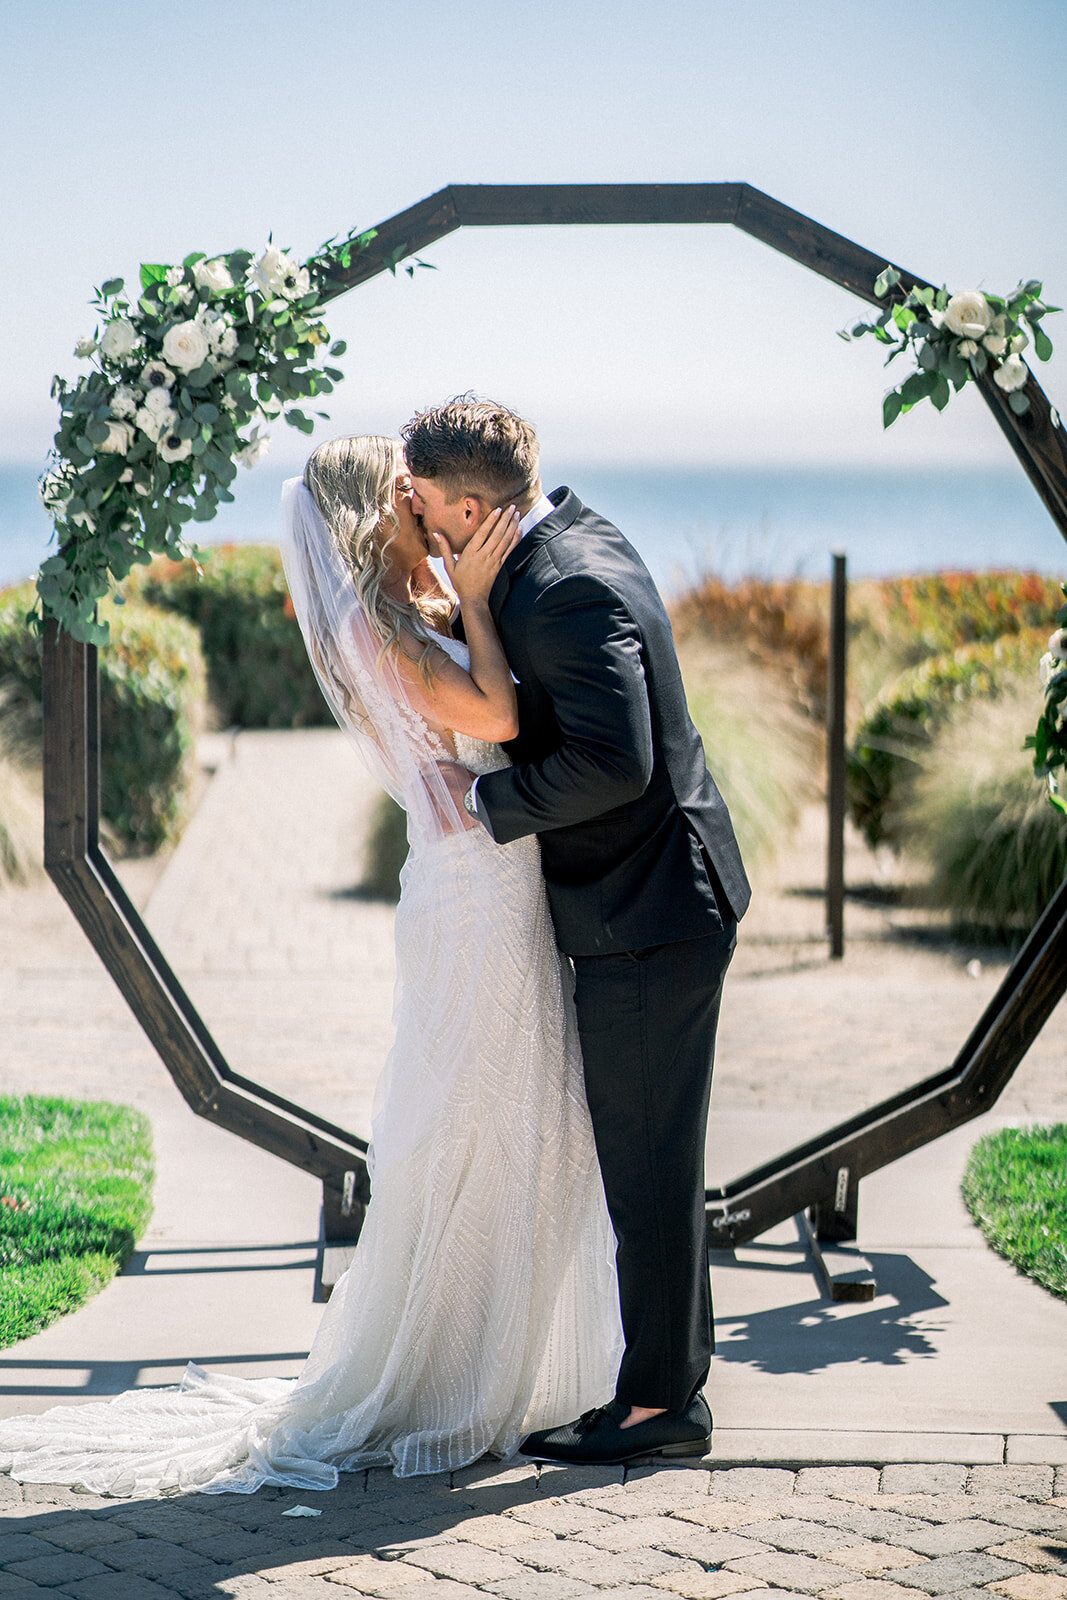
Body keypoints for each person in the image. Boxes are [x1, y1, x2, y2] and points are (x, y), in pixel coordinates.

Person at [0, 435, 623, 1496]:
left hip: (489, 887)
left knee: (518, 1121)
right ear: (370, 514)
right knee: (470, 1128)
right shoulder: (375, 632)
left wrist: (451, 591)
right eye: (405, 499)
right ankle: (443, 1378)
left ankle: (504, 1362)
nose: (423, 513)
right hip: (474, 902)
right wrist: (473, 600)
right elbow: (499, 716)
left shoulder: (397, 611)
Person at [402, 398, 751, 1466]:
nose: (413, 527)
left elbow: (616, 763)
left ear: (468, 507)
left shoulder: (561, 589)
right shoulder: (568, 542)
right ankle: (662, 1386)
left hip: (645, 914)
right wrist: (470, 607)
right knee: (649, 1162)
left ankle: (657, 1407)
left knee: (647, 1170)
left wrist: (485, 805)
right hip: (649, 904)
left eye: (420, 508)